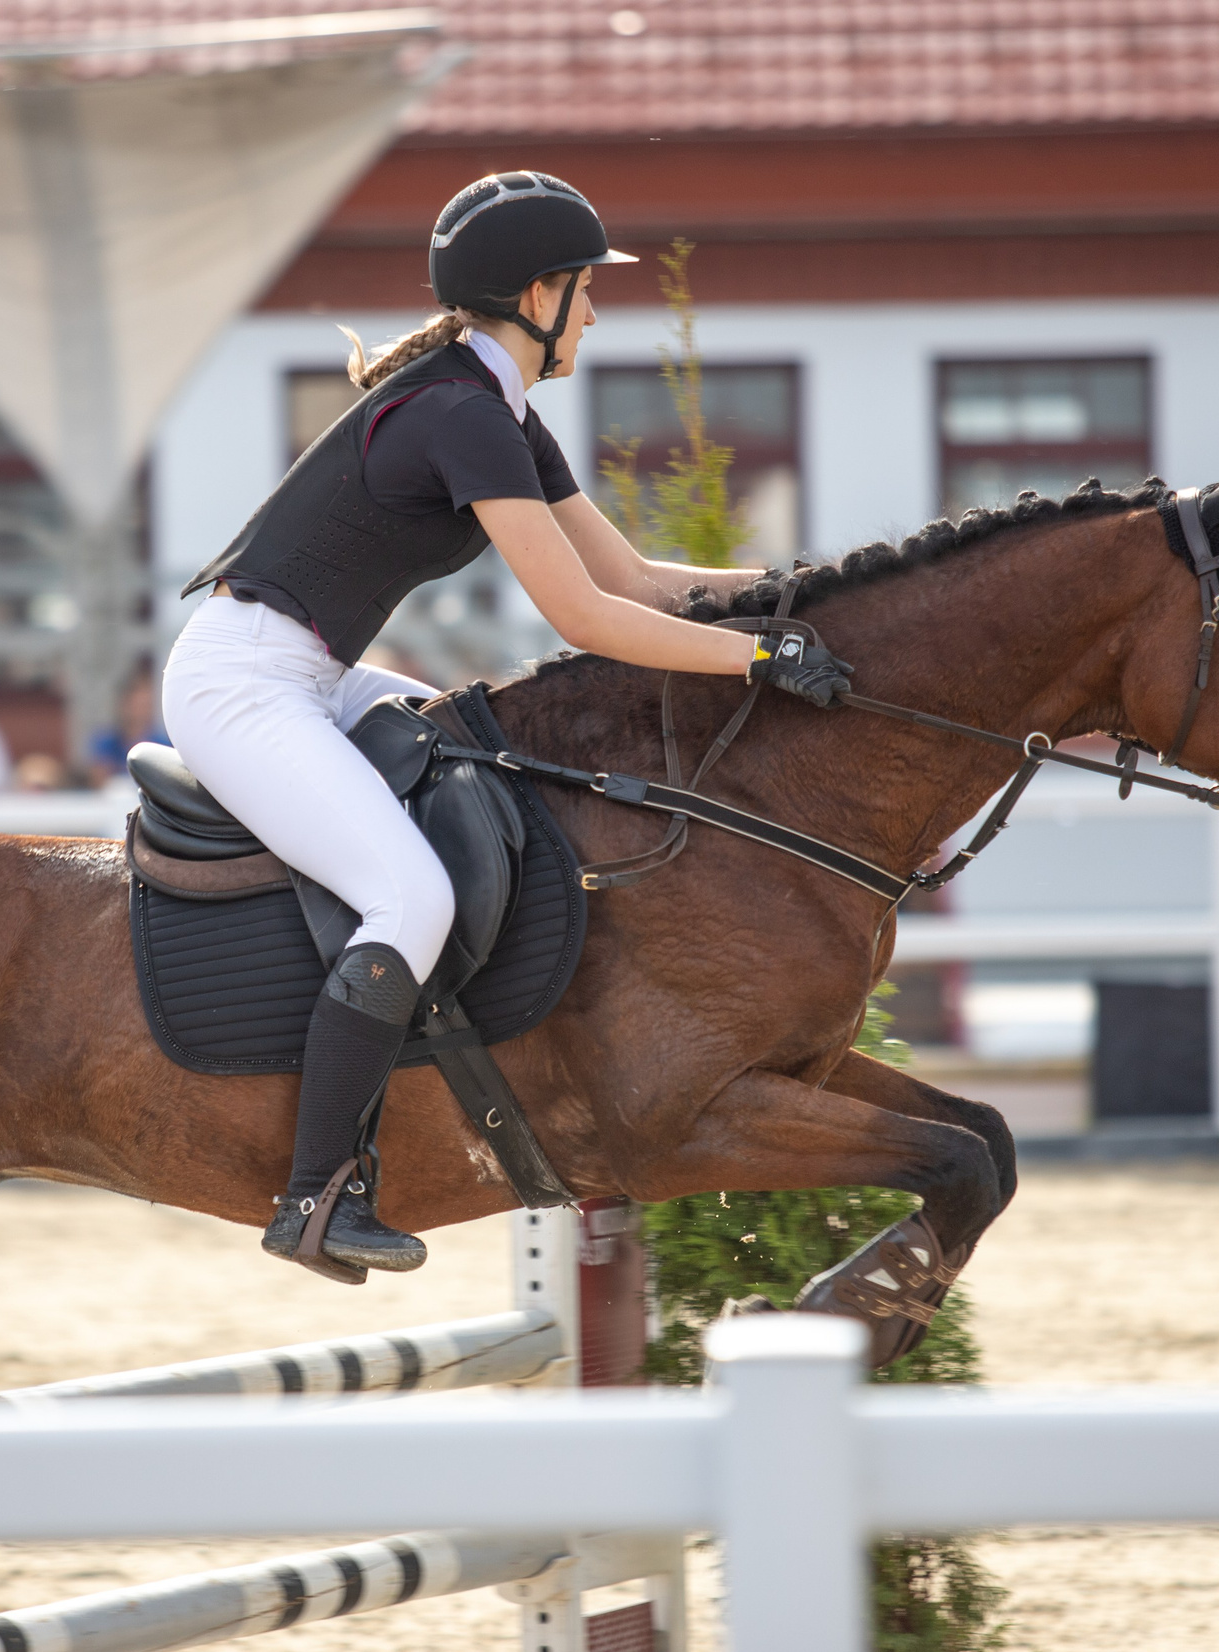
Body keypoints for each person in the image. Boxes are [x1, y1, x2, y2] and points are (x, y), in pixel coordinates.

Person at [162, 171, 854, 1278]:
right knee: (410, 892)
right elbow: (586, 616)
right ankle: (316, 1193)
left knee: (507, 776)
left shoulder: (495, 412)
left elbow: (632, 572)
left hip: (308, 672)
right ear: (537, 292)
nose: (593, 313)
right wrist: (761, 656)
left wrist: (801, 594)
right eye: (585, 292)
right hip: (241, 683)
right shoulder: (461, 414)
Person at [87, 670, 168, 782]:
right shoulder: (105, 742)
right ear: (123, 704)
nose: (142, 711)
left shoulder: (163, 745)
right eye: (137, 705)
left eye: (146, 705)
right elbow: (98, 778)